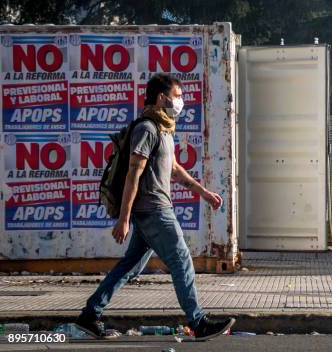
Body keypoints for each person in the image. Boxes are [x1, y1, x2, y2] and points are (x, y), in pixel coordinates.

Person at [75, 73, 235, 341]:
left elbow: (173, 169)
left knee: (130, 266)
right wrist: (124, 218)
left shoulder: (164, 129)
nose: (181, 101)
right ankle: (197, 322)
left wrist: (203, 192)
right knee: (181, 259)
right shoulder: (147, 129)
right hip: (153, 211)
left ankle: (90, 315)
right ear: (162, 97)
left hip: (154, 210)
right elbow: (133, 174)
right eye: (178, 96)